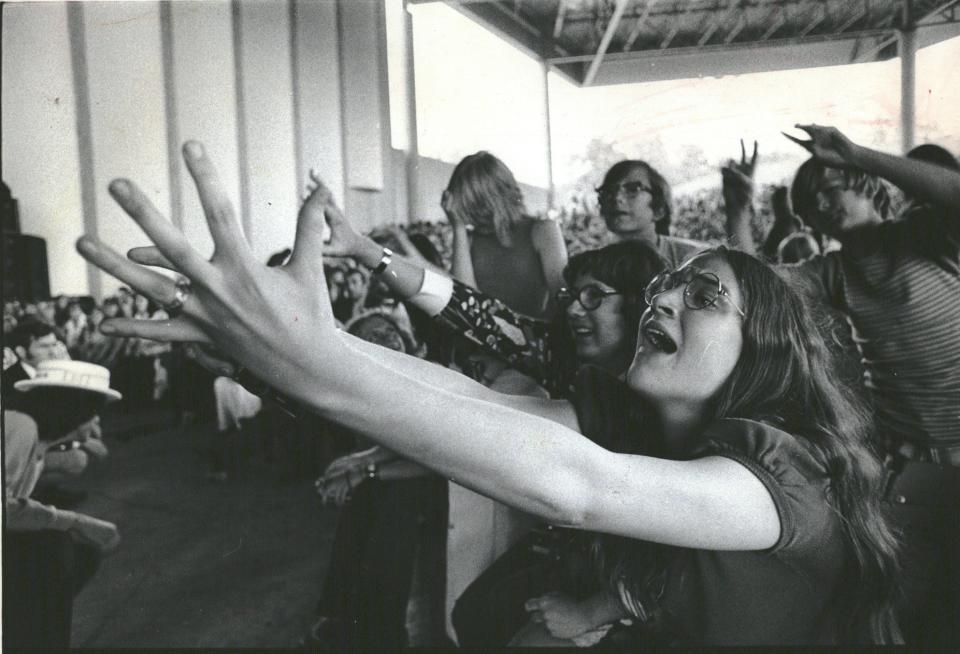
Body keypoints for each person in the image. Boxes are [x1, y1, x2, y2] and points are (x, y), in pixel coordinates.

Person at [82, 141, 900, 645]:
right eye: (664, 286)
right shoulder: (639, 408)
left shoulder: (784, 477)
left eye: (704, 296)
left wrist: (306, 362)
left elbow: (571, 484)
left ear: (768, 348)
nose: (661, 297)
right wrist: (302, 350)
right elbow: (478, 400)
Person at [776, 126, 960, 646]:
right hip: (915, 467)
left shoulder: (931, 237)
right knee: (889, 617)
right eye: (812, 198)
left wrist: (859, 154)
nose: (823, 200)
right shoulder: (833, 271)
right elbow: (760, 285)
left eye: (835, 185)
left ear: (871, 185)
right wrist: (742, 212)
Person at [4, 360, 122, 648]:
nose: (96, 423)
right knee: (57, 552)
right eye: (93, 413)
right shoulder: (22, 426)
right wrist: (77, 522)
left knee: (73, 553)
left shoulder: (31, 433)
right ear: (74, 409)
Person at [443, 151, 567, 319]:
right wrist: (458, 228)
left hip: (533, 335)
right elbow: (467, 303)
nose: (471, 218)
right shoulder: (469, 239)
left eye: (477, 209)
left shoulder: (542, 230)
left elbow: (560, 300)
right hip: (485, 337)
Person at [597, 159, 704, 269]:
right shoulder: (591, 267)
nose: (617, 198)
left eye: (633, 189)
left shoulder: (697, 259)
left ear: (659, 209)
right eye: (608, 191)